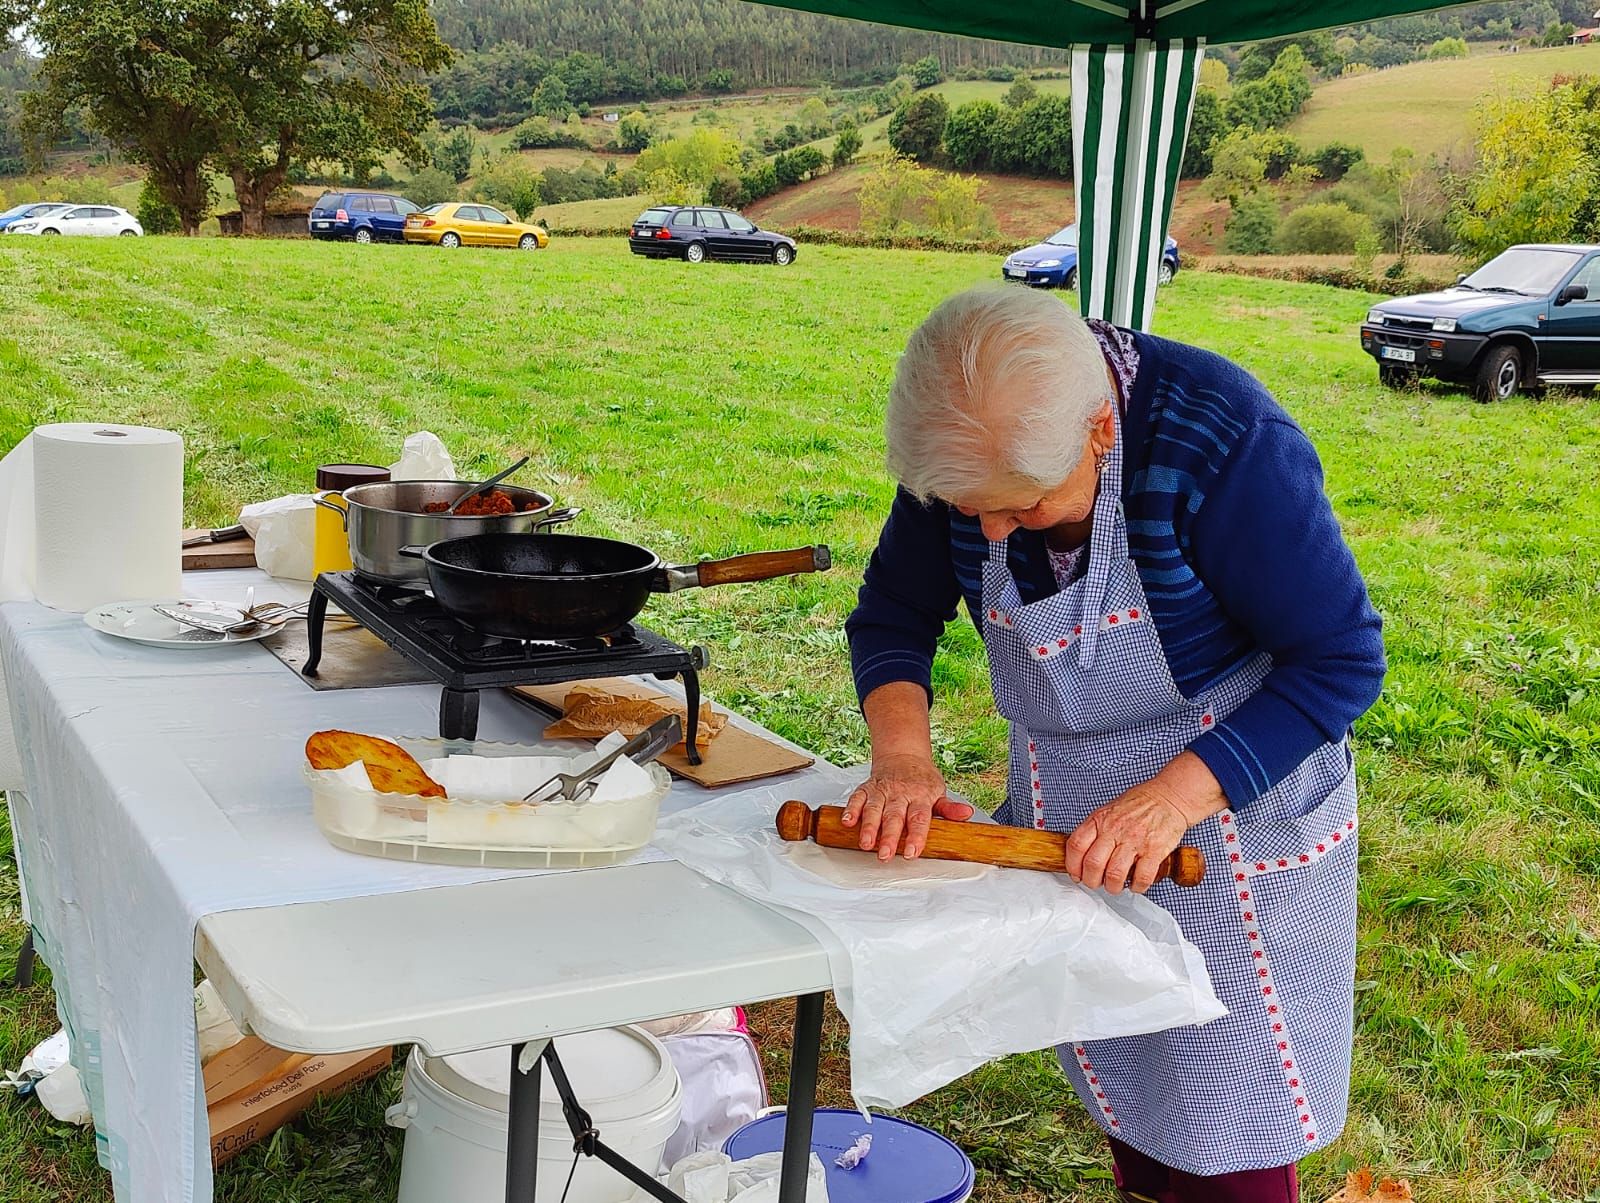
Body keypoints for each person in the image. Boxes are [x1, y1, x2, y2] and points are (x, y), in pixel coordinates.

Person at [843, 286, 1385, 1203]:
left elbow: (1338, 656)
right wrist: (901, 755)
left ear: (1099, 431)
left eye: (1022, 508)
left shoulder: (1221, 437)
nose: (991, 532)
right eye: (971, 509)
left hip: (1232, 812)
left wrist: (1172, 799)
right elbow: (895, 609)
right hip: (1074, 808)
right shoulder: (972, 441)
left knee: (1229, 1113)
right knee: (1129, 1069)